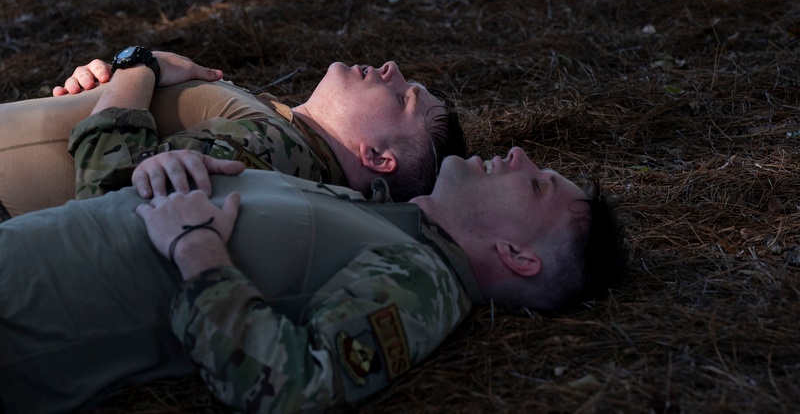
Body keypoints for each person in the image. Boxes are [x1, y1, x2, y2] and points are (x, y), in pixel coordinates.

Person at [0, 147, 627, 413]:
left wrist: (196, 250)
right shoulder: (385, 215)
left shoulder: (422, 281)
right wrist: (166, 167)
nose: (519, 156)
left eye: (538, 183)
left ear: (517, 254)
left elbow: (294, 389)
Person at [0, 48, 466, 220]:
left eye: (406, 98)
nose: (393, 69)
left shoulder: (284, 152)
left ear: (378, 157)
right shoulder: (284, 130)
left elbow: (109, 193)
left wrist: (138, 65)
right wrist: (106, 90)